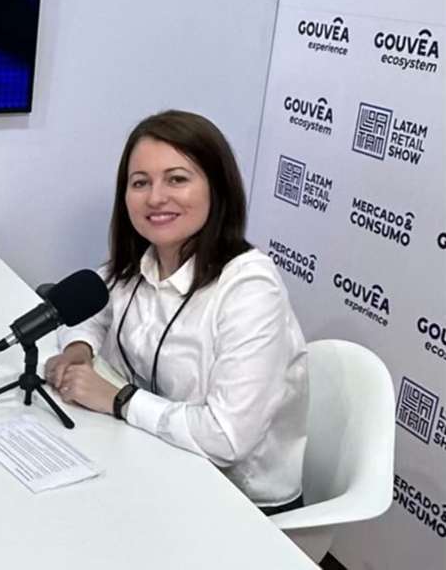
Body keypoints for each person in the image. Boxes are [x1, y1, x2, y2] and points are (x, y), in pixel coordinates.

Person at [44, 110, 308, 514]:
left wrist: (118, 400)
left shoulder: (251, 289)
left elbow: (228, 438)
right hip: (151, 465)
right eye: (140, 183)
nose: (155, 197)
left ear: (217, 188)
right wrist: (79, 348)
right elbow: (94, 310)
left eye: (177, 179)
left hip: (238, 506)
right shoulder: (141, 264)